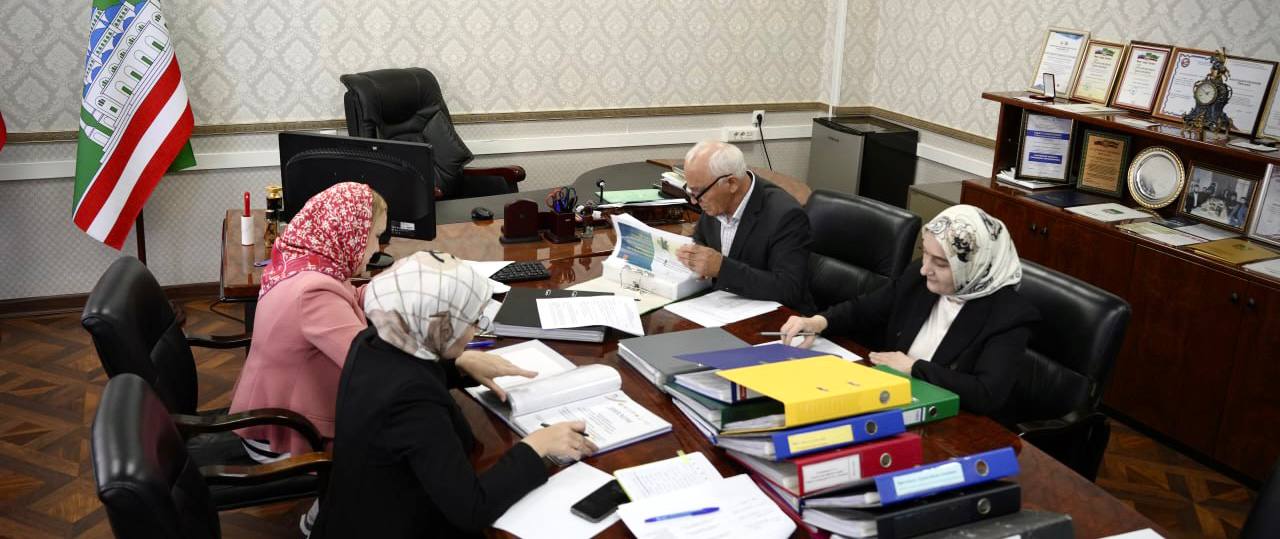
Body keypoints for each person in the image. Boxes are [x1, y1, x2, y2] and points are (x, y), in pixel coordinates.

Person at [311, 252, 595, 538]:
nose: (475, 331)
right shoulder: (413, 400)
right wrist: (536, 446)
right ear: (439, 326)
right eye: (472, 321)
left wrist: (458, 364)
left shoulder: (373, 339)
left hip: (355, 511)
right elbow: (472, 508)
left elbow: (403, 372)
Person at [778, 205, 1038, 419]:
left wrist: (914, 368)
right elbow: (867, 308)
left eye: (940, 263)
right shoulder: (919, 277)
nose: (925, 269)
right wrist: (818, 322)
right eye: (925, 254)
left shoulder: (1008, 315)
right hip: (890, 397)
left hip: (949, 420)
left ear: (974, 266)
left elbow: (986, 393)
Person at [228, 182, 387, 461]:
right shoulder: (314, 292)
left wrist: (397, 285)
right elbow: (368, 362)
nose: (377, 248)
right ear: (351, 234)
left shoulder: (308, 262)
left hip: (274, 413)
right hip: (282, 437)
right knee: (399, 444)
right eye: (375, 236)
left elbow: (350, 297)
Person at [675, 140, 815, 313]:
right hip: (722, 306)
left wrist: (722, 268)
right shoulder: (714, 199)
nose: (694, 201)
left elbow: (789, 289)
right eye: (691, 191)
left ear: (732, 183)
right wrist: (695, 255)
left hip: (779, 318)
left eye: (698, 193)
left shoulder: (786, 216)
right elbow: (701, 238)